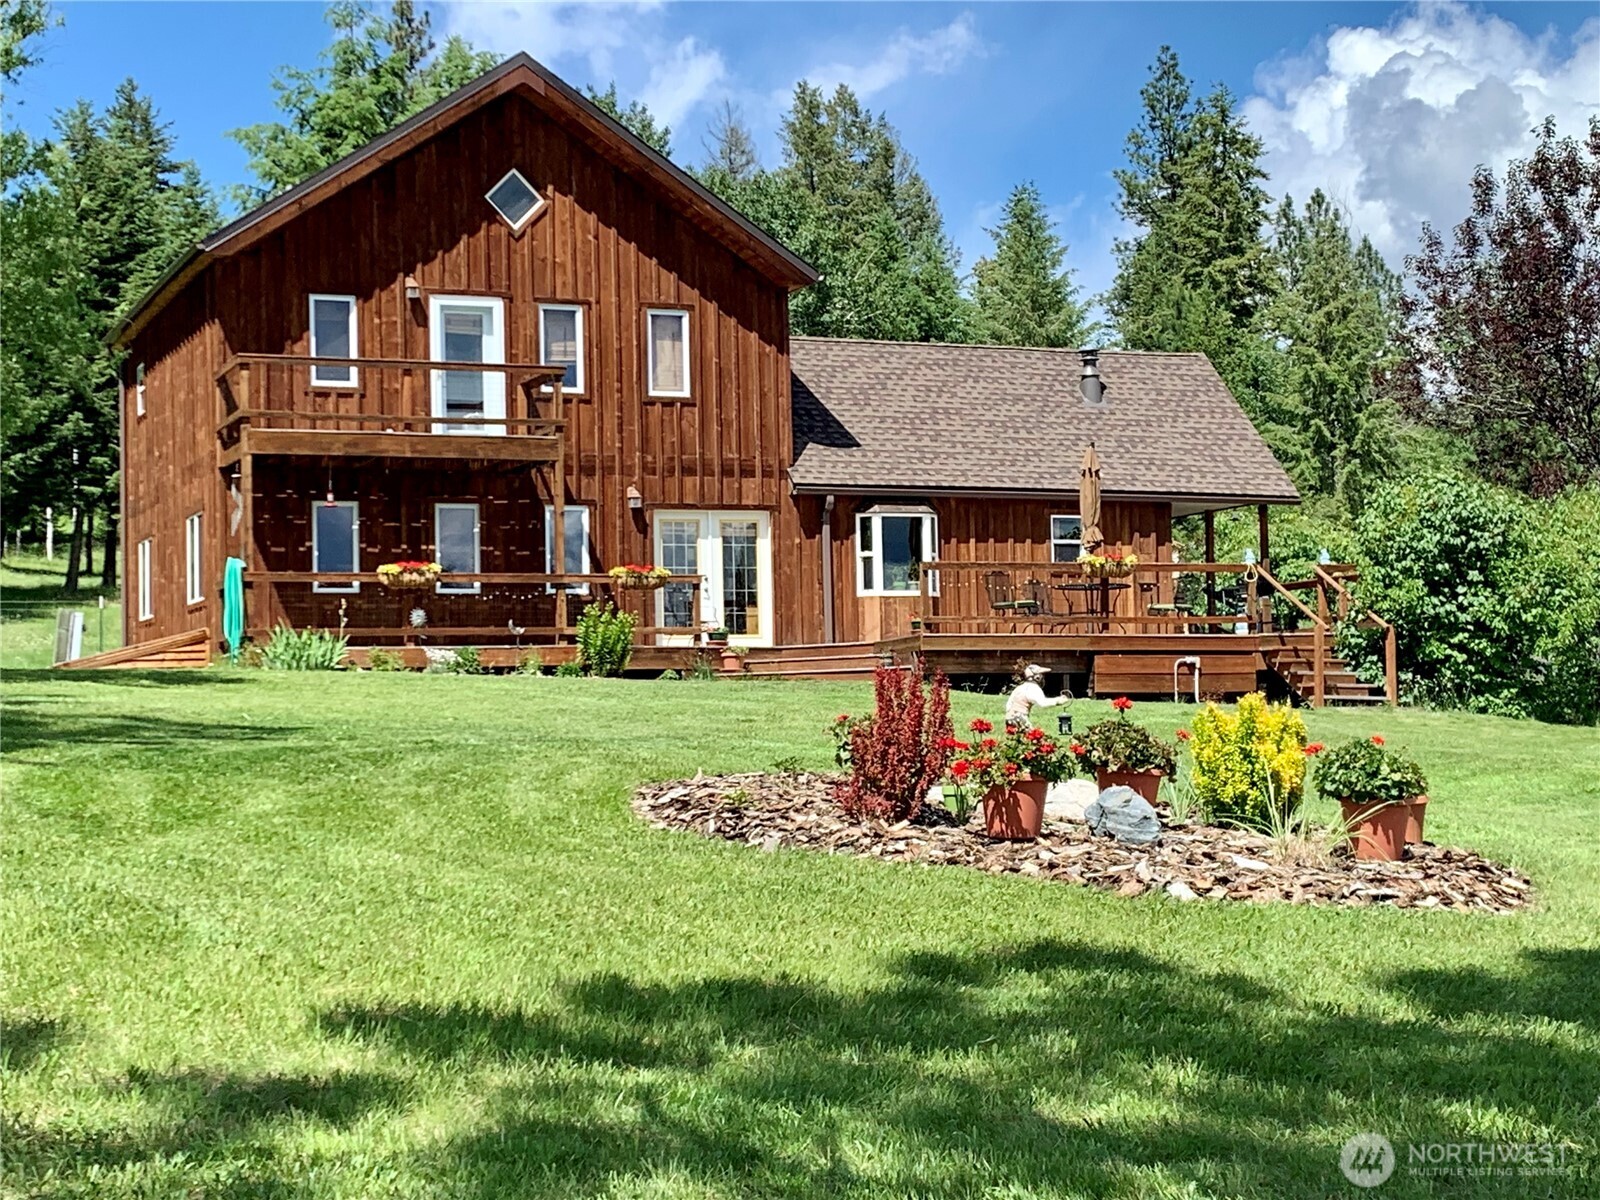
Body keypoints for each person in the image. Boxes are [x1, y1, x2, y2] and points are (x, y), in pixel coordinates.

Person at [1005, 663, 1070, 731]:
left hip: (1009, 717)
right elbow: (1043, 703)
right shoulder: (1034, 688)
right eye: (1041, 675)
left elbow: (1008, 705)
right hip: (1020, 717)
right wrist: (1058, 701)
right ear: (1037, 677)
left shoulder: (1019, 687)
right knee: (1033, 738)